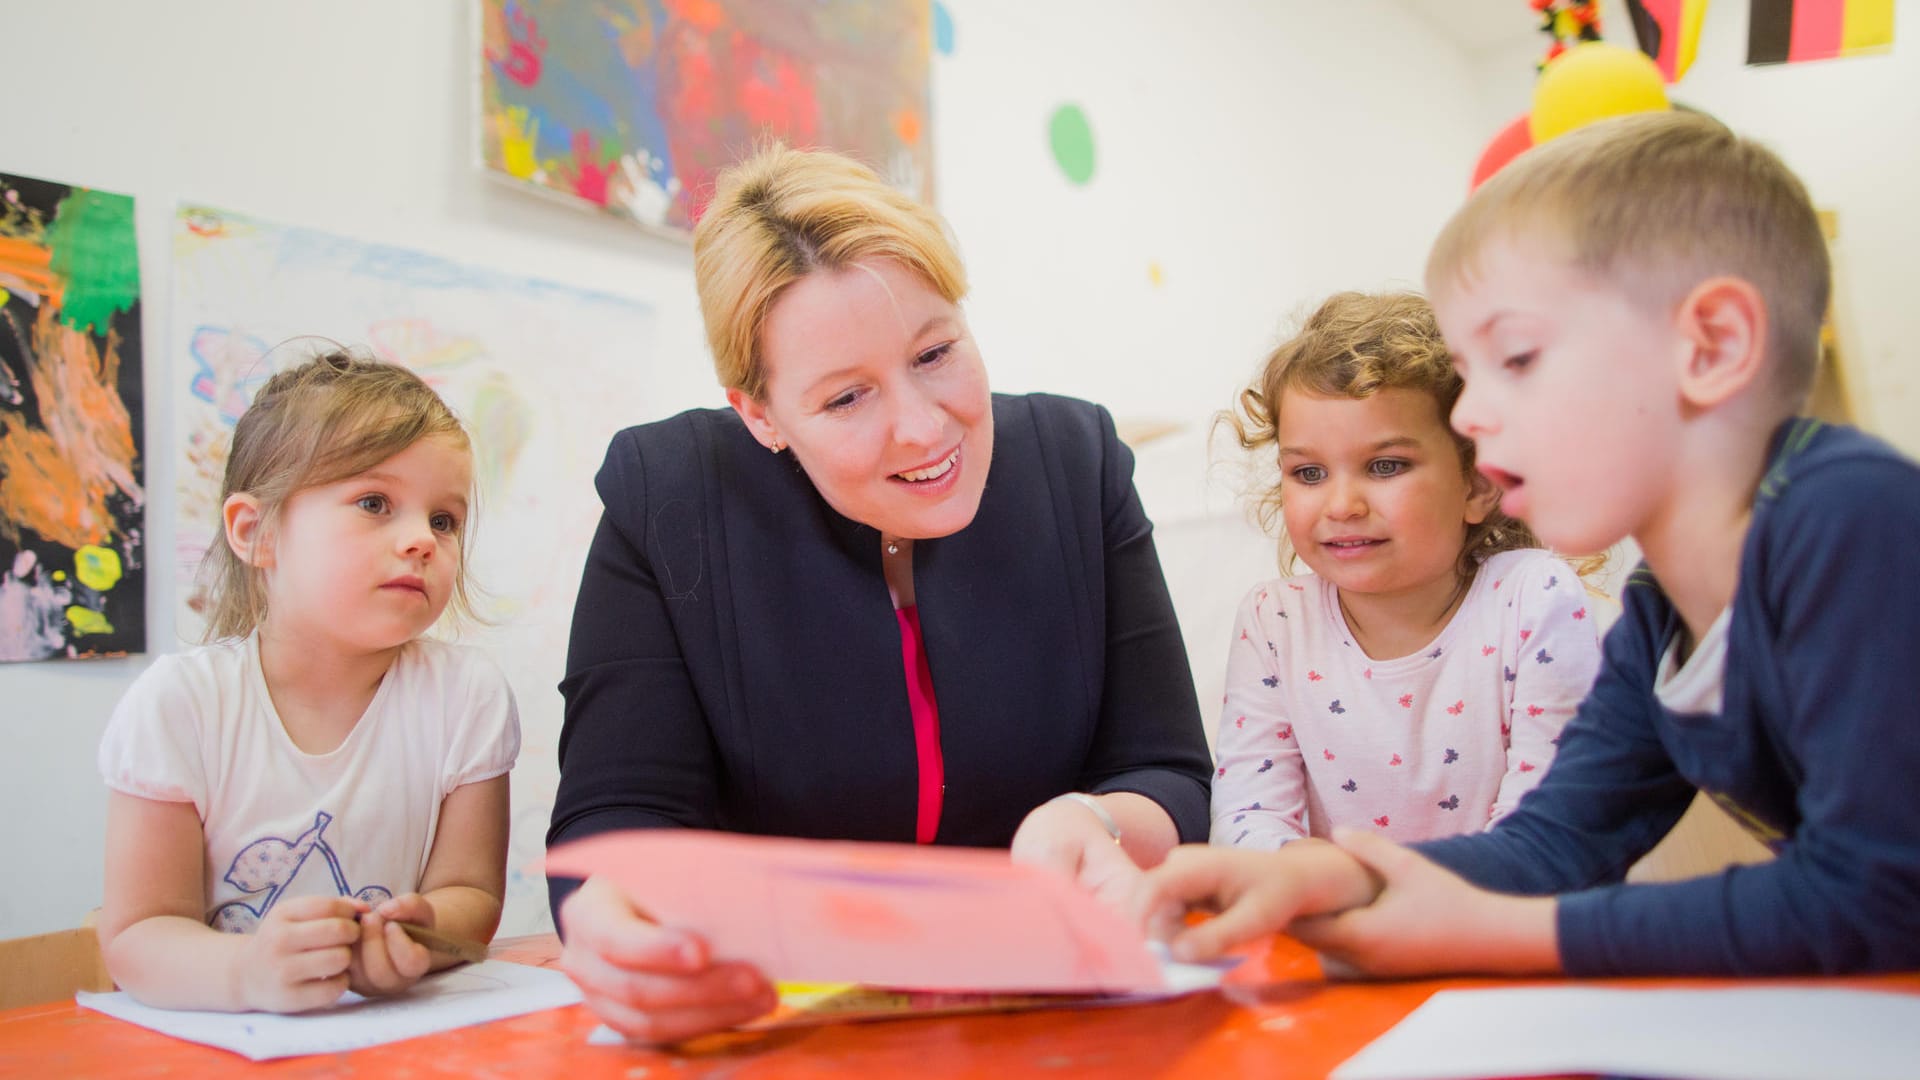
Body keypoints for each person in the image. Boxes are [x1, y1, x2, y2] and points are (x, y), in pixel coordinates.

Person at [1132, 110, 1920, 977]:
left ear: (1711, 345)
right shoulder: (1663, 614)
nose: (1469, 418)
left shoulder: (1847, 515)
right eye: (1466, 377)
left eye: (1515, 358)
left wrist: (1500, 935)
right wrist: (1330, 876)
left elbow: (1881, 891)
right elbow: (1554, 844)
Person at [547, 144, 1212, 1043]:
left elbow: (1170, 773)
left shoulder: (1077, 461)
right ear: (760, 415)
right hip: (785, 1027)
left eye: (936, 351)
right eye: (846, 398)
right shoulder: (666, 497)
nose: (923, 426)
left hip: (1057, 1019)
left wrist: (1094, 819)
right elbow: (615, 822)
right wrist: (613, 923)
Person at [95, 351, 520, 1011]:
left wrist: (419, 939)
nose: (422, 540)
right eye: (375, 502)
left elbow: (473, 898)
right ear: (254, 531)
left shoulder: (468, 695)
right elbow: (135, 934)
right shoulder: (180, 705)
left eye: (444, 519)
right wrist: (246, 973)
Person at [1211, 291, 1599, 851]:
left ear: (1479, 483)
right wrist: (1312, 893)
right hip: (1327, 921)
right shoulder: (1274, 622)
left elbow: (1549, 824)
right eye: (1309, 472)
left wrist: (1415, 910)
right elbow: (1248, 814)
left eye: (1385, 466)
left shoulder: (1534, 599)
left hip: (1496, 921)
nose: (1342, 504)